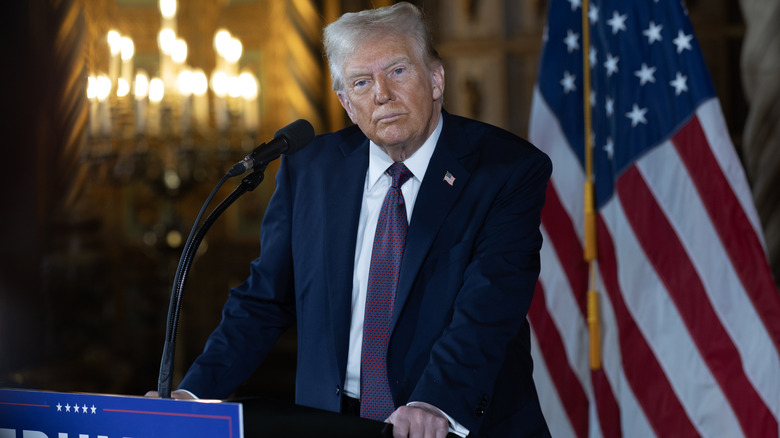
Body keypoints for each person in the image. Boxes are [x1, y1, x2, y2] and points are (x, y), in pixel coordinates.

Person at [151, 3, 551, 437]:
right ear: (345, 102)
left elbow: (489, 306)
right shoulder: (311, 168)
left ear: (436, 79)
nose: (382, 93)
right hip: (333, 422)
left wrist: (433, 402)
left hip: (453, 421)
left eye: (397, 71)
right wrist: (191, 398)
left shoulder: (507, 169)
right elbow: (264, 301)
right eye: (362, 82)